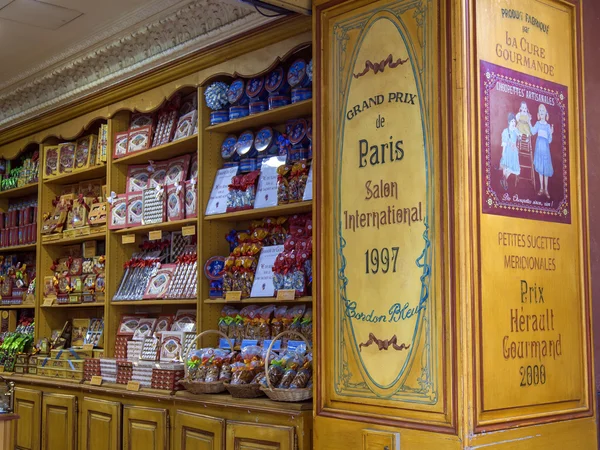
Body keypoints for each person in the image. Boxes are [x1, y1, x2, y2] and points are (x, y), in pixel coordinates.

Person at [530, 104, 554, 199]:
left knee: (546, 170)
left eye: (543, 110)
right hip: (539, 149)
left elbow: (549, 140)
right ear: (538, 113)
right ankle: (541, 188)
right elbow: (532, 131)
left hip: (546, 150)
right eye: (540, 110)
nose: (541, 112)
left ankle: (546, 189)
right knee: (540, 168)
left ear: (546, 113)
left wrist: (551, 133)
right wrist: (529, 121)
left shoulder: (548, 126)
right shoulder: (538, 124)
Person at [499, 112, 520, 191]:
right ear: (509, 122)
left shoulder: (515, 131)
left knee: (511, 168)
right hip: (507, 151)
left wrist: (517, 131)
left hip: (514, 152)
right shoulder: (505, 131)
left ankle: (503, 179)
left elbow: (519, 136)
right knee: (506, 166)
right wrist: (503, 153)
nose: (513, 123)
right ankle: (504, 181)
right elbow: (504, 143)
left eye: (514, 121)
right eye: (512, 121)